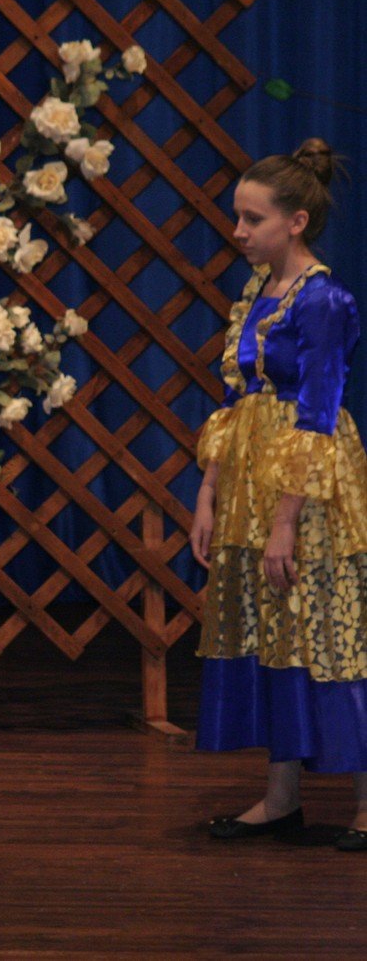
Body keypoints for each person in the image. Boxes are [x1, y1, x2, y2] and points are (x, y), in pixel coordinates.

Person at [190, 139, 367, 851]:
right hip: (250, 481)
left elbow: (317, 411)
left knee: (330, 630)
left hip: (307, 486)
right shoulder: (257, 292)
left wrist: (286, 521)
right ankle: (281, 796)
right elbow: (236, 399)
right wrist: (208, 493)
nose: (238, 231)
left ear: (295, 222)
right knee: (276, 630)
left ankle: (364, 803)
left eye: (252, 219)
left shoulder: (324, 299)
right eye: (236, 216)